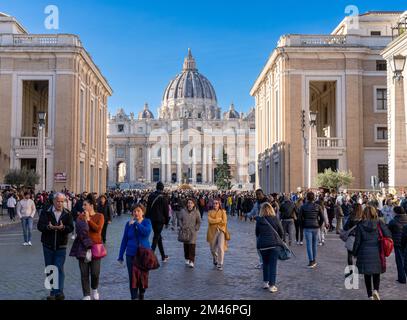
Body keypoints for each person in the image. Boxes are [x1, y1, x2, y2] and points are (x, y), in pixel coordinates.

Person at [37, 192, 74, 300]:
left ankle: (58, 292)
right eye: (58, 201)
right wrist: (49, 228)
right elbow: (40, 226)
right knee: (50, 269)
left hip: (61, 245)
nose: (60, 203)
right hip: (47, 245)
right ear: (53, 201)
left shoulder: (67, 213)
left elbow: (71, 228)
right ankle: (53, 291)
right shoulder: (46, 212)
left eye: (62, 201)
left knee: (58, 268)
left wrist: (63, 228)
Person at [353, 205, 392, 300]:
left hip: (364, 251)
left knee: (367, 275)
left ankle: (370, 295)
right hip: (377, 251)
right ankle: (376, 290)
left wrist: (355, 252)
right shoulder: (379, 223)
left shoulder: (360, 224)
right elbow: (388, 235)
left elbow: (357, 241)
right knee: (376, 273)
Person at [118, 204, 152, 300]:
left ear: (143, 212)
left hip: (143, 254)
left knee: (142, 277)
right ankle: (133, 297)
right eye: (134, 211)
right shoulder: (128, 224)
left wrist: (136, 223)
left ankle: (141, 292)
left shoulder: (147, 222)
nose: (136, 213)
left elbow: (146, 232)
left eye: (138, 211)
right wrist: (120, 255)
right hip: (131, 254)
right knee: (132, 278)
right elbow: (124, 239)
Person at [77, 194, 105, 300]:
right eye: (83, 205)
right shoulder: (80, 217)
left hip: (95, 247)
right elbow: (78, 230)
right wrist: (83, 220)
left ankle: (94, 288)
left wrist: (89, 220)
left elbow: (98, 230)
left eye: (85, 205)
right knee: (84, 272)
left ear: (91, 205)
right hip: (83, 247)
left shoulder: (100, 216)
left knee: (95, 273)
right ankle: (86, 294)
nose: (83, 207)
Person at [255, 202, 284, 293]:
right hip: (274, 245)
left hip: (263, 245)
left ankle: (265, 282)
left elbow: (257, 233)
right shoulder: (275, 219)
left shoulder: (259, 220)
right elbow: (281, 232)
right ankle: (272, 285)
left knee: (265, 263)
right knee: (273, 265)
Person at [298, 192, 324, 268]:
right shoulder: (318, 206)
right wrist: (319, 224)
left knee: (309, 244)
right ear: (314, 198)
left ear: (307, 198)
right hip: (315, 226)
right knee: (314, 244)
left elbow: (299, 218)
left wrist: (302, 226)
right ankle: (314, 260)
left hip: (307, 227)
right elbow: (322, 218)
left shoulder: (303, 207)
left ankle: (311, 261)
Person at [146, 182, 170, 262]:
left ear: (156, 187)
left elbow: (148, 208)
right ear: (162, 188)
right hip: (160, 220)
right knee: (156, 237)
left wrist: (147, 218)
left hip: (152, 219)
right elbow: (166, 211)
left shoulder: (151, 196)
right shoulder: (164, 197)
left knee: (158, 236)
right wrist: (167, 222)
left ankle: (163, 256)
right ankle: (150, 255)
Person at [179, 198, 201, 268]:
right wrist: (181, 226)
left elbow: (199, 221)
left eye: (191, 203)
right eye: (188, 203)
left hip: (192, 231)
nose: (189, 204)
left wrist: (196, 228)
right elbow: (179, 219)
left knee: (192, 246)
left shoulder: (196, 212)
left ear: (194, 204)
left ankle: (192, 261)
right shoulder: (183, 211)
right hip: (185, 231)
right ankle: (187, 258)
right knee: (186, 245)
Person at [207, 198, 228, 271]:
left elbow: (224, 222)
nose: (215, 204)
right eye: (214, 203)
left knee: (220, 247)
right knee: (212, 249)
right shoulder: (210, 212)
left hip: (221, 230)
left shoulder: (223, 212)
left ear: (219, 204)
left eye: (216, 203)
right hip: (212, 232)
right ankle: (215, 258)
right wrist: (219, 220)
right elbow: (210, 221)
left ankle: (220, 263)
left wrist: (218, 223)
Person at [343, 203, 363, 278]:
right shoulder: (363, 217)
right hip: (361, 238)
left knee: (350, 255)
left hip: (352, 237)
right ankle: (359, 270)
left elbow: (345, 227)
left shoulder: (351, 217)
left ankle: (351, 272)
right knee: (360, 255)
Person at [388, 206, 407, 284]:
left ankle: (402, 278)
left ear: (396, 212)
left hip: (398, 243)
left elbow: (388, 230)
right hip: (405, 242)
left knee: (399, 261)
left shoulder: (393, 221)